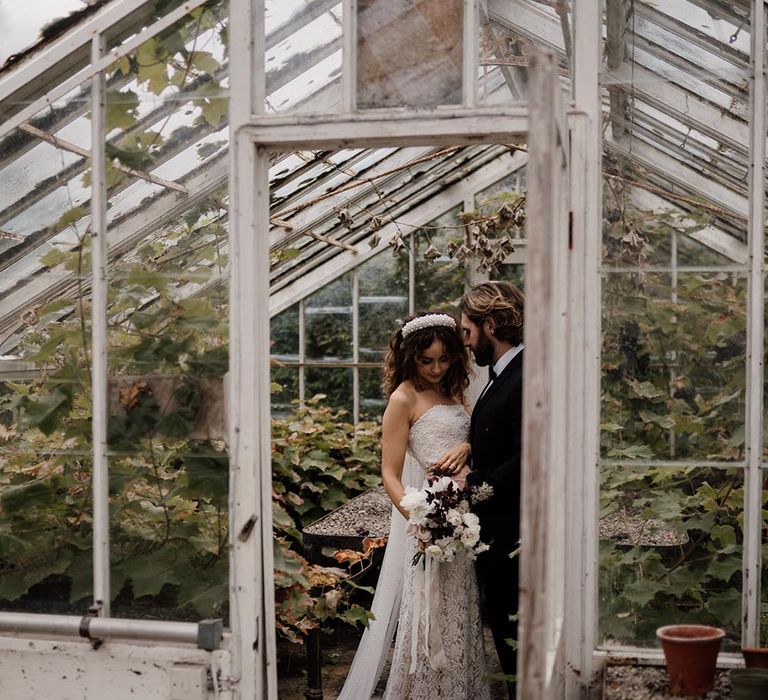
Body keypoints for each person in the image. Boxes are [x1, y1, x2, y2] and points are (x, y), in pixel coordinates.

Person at [339, 312, 491, 700]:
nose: (437, 368)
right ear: (411, 358)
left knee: (460, 608)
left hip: (464, 518)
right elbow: (389, 473)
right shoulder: (403, 398)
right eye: (428, 361)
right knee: (427, 610)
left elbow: (476, 437)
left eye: (444, 359)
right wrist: (420, 518)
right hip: (427, 521)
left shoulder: (457, 392)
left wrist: (468, 445)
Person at [448, 280, 525, 698]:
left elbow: (527, 458)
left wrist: (473, 483)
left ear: (490, 324)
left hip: (512, 535)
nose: (465, 340)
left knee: (514, 641)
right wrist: (470, 446)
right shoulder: (504, 375)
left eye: (467, 330)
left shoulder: (522, 375)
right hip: (499, 534)